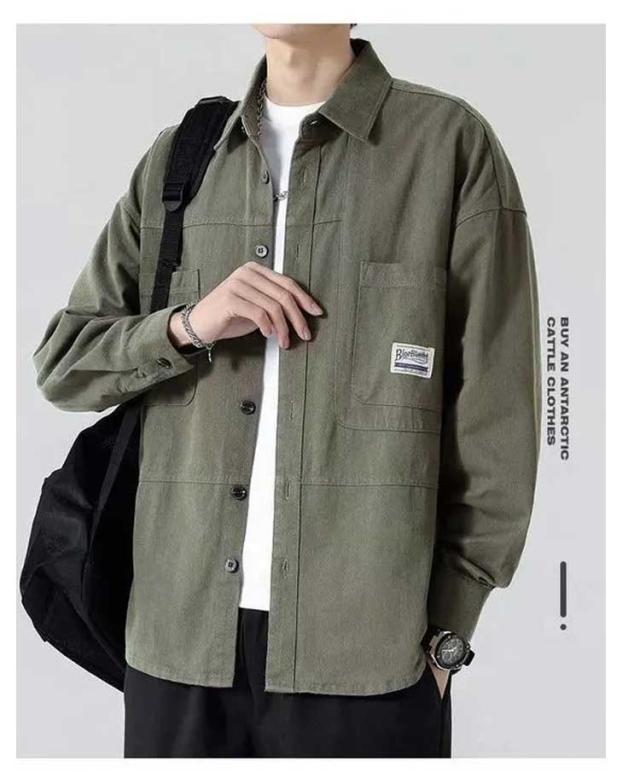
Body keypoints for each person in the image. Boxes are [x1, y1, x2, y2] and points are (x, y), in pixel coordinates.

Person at [32, 24, 541, 758]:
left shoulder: (447, 146)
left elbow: (499, 412)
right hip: (178, 643)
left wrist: (447, 635)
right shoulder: (183, 158)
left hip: (369, 654)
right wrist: (190, 325)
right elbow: (64, 364)